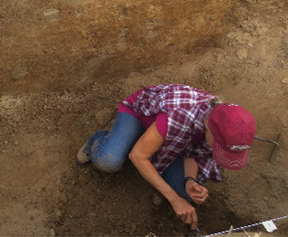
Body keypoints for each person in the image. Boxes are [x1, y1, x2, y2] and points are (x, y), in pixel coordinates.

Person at [75, 84, 256, 230]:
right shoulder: (180, 116)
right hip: (140, 117)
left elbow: (194, 151)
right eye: (219, 147)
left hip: (165, 134)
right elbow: (137, 156)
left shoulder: (223, 122)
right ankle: (97, 142)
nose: (218, 151)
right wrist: (174, 199)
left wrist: (190, 179)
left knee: (187, 192)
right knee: (109, 159)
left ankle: (148, 150)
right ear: (211, 130)